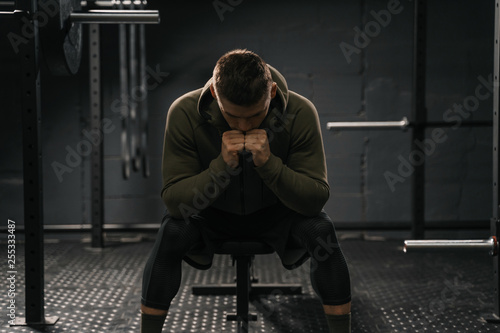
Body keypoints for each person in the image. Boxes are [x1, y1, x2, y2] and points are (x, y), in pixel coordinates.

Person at [141, 49, 352, 332]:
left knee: (321, 232)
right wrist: (221, 168)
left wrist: (269, 165)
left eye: (255, 116)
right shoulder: (184, 111)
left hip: (277, 215)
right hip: (211, 216)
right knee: (172, 232)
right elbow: (176, 204)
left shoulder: (300, 112)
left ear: (272, 93)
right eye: (232, 116)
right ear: (215, 95)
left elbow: (314, 200)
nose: (243, 126)